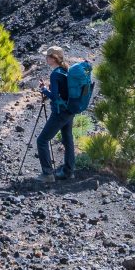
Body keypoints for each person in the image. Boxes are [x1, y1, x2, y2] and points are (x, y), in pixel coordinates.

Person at [36, 44, 82, 180]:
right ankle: (69, 171)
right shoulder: (65, 70)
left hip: (60, 113)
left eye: (47, 56)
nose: (45, 58)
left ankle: (48, 174)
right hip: (69, 111)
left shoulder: (55, 74)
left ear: (53, 58)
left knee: (42, 141)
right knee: (68, 140)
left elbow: (55, 97)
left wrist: (44, 90)